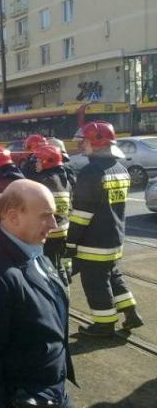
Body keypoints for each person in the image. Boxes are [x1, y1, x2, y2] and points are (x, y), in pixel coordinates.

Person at [0, 180, 76, 408]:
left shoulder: (33, 249)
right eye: (45, 215)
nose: (53, 224)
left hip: (50, 391)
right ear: (13, 217)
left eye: (53, 215)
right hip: (28, 397)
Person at [66, 121, 143, 336]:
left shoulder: (91, 172)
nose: (82, 146)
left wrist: (70, 243)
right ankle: (131, 313)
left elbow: (81, 214)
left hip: (94, 242)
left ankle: (104, 325)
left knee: (95, 283)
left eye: (85, 142)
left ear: (97, 142)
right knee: (113, 276)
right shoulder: (120, 169)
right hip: (114, 238)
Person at [34, 145, 74, 288]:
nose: (36, 163)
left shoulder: (42, 181)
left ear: (46, 161)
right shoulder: (65, 180)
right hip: (63, 230)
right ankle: (65, 293)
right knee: (58, 265)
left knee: (49, 268)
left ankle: (56, 296)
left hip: (49, 233)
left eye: (38, 160)